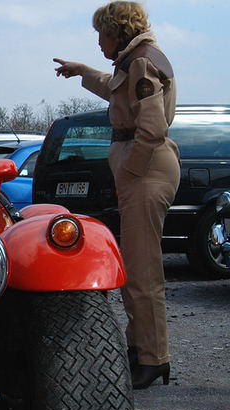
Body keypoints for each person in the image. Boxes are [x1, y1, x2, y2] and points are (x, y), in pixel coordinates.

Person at [53, 1, 179, 389]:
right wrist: (83, 73)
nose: (98, 41)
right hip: (144, 169)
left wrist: (129, 170)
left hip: (146, 170)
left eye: (100, 34)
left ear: (117, 30)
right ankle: (139, 348)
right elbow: (115, 91)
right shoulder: (135, 60)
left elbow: (152, 128)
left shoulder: (140, 62)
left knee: (143, 272)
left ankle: (153, 358)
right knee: (136, 268)